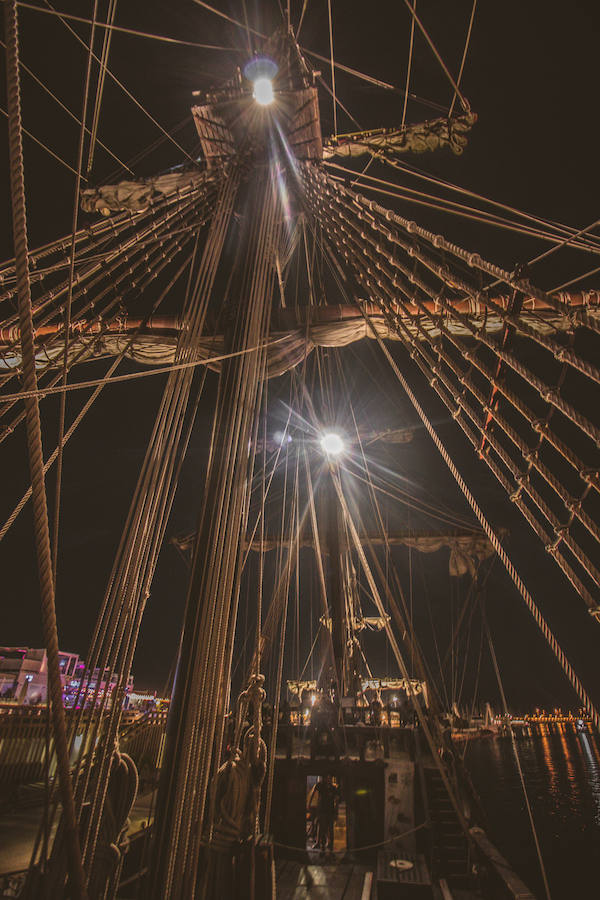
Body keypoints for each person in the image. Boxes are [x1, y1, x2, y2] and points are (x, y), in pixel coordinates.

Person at [314, 775, 339, 852]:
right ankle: (323, 849)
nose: (328, 779)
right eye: (327, 777)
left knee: (330, 831)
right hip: (323, 812)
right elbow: (316, 788)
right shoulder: (321, 786)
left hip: (330, 812)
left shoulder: (333, 788)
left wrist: (336, 811)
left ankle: (330, 849)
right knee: (322, 830)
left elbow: (336, 799)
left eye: (330, 778)